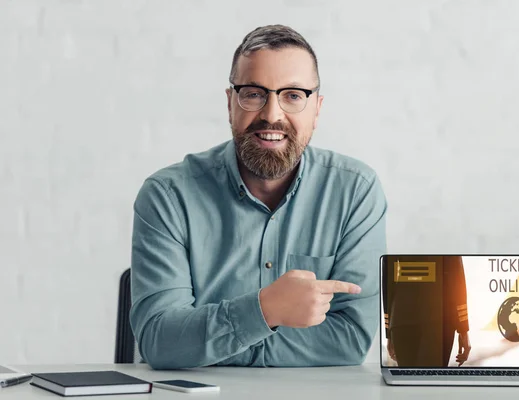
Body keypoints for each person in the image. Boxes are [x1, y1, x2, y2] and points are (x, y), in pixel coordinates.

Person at [129, 24, 388, 369]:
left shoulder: (355, 192)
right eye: (253, 93)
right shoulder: (167, 197)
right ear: (230, 103)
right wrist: (267, 310)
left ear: (317, 109)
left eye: (293, 95)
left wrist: (213, 342)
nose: (272, 114)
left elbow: (349, 341)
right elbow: (161, 342)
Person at [383, 255, 471, 367]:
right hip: (439, 317)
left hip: (402, 315)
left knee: (407, 382)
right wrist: (463, 328)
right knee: (431, 381)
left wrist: (389, 330)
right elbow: (455, 273)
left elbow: (388, 277)